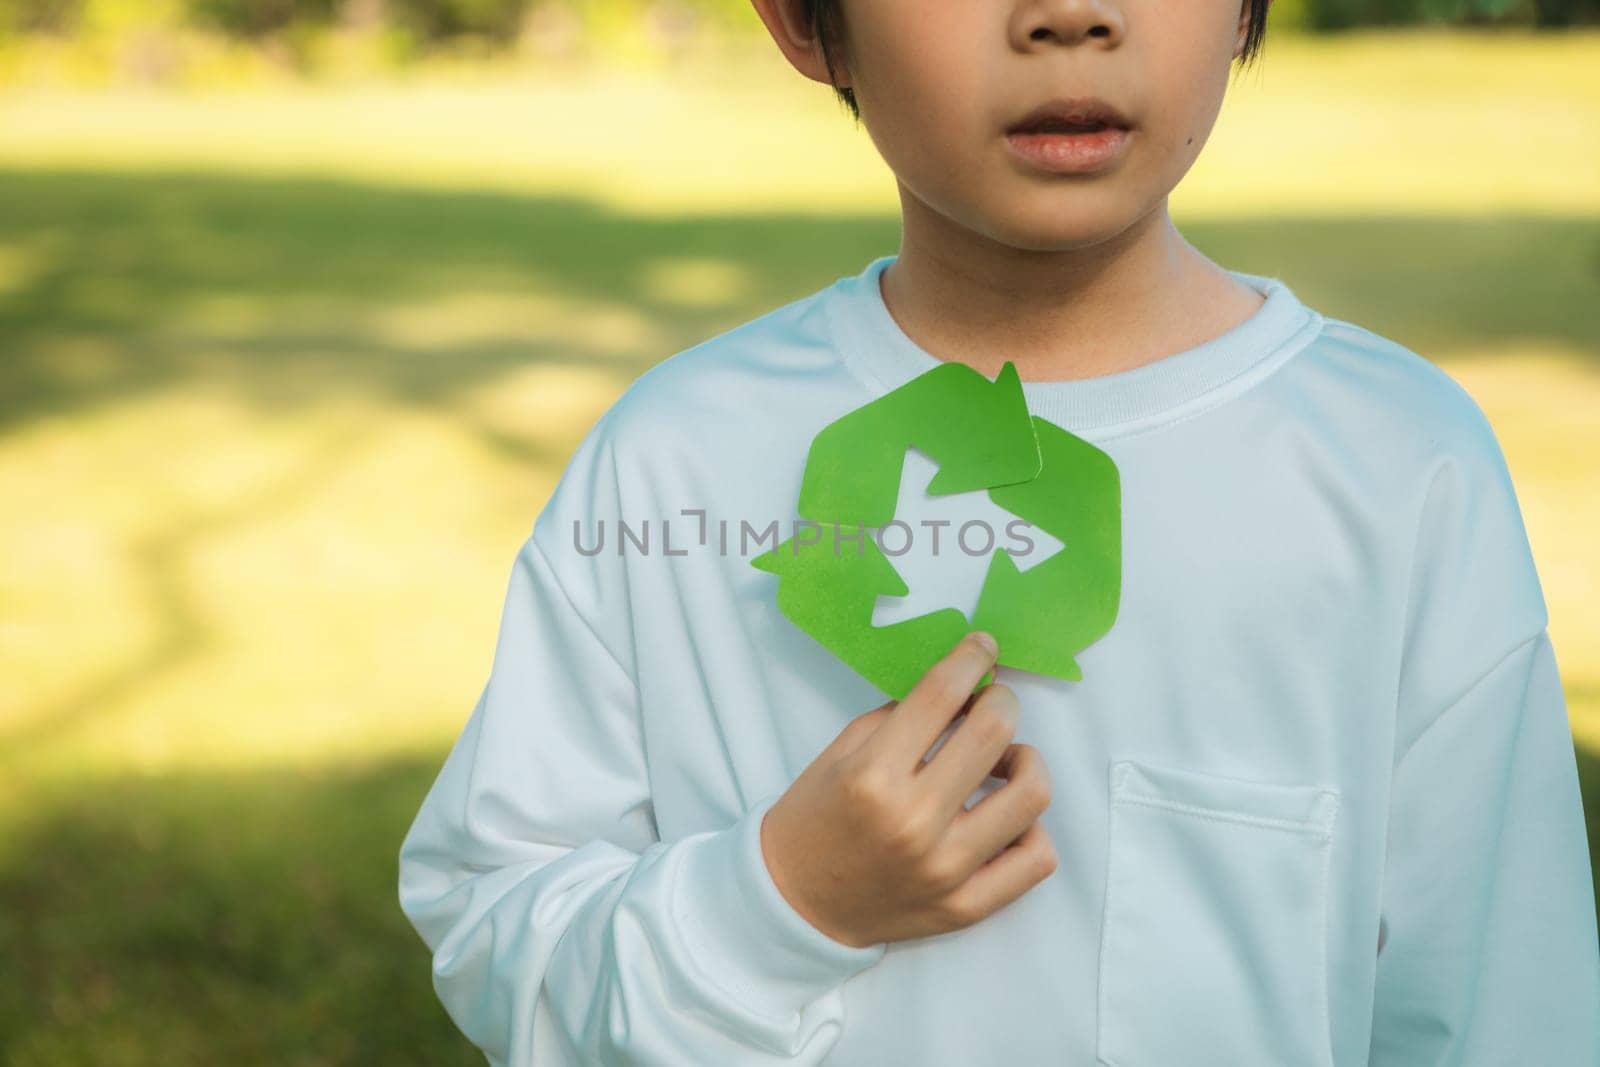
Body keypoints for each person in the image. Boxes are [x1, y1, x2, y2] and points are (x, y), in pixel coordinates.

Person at [396, 0, 1600, 1062]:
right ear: (803, 22)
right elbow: (500, 926)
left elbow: (1504, 1001)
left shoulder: (1397, 465)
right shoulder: (670, 460)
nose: (1066, 14)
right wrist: (779, 902)